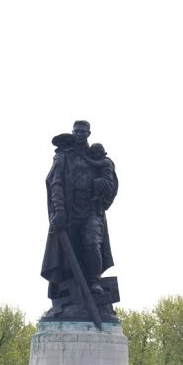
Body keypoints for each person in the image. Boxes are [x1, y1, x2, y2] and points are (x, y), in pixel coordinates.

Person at [41, 120, 119, 318]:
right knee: (68, 256)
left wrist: (103, 187)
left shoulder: (97, 156)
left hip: (91, 211)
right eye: (76, 131)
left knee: (92, 243)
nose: (78, 134)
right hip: (68, 214)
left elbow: (111, 185)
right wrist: (58, 211)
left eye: (82, 131)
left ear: (89, 133)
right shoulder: (64, 156)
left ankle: (94, 281)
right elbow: (55, 183)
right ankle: (68, 296)